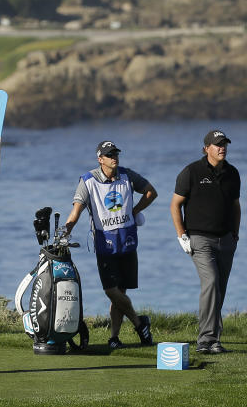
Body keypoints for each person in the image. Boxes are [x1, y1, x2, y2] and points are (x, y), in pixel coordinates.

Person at [63, 140, 158, 349]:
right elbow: (76, 211)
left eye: (115, 154)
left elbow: (151, 192)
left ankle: (114, 337)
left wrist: (134, 211)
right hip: (105, 244)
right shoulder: (88, 180)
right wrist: (65, 232)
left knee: (120, 293)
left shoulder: (127, 174)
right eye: (109, 155)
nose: (114, 157)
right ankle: (139, 322)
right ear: (100, 159)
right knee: (110, 290)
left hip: (127, 242)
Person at [170, 129, 241, 354]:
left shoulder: (233, 173)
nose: (222, 148)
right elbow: (175, 205)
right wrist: (182, 235)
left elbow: (236, 206)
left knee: (219, 288)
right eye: (218, 144)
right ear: (206, 148)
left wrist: (235, 234)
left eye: (224, 144)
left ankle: (214, 340)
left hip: (226, 239)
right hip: (199, 239)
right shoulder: (191, 172)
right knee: (210, 282)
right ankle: (205, 340)